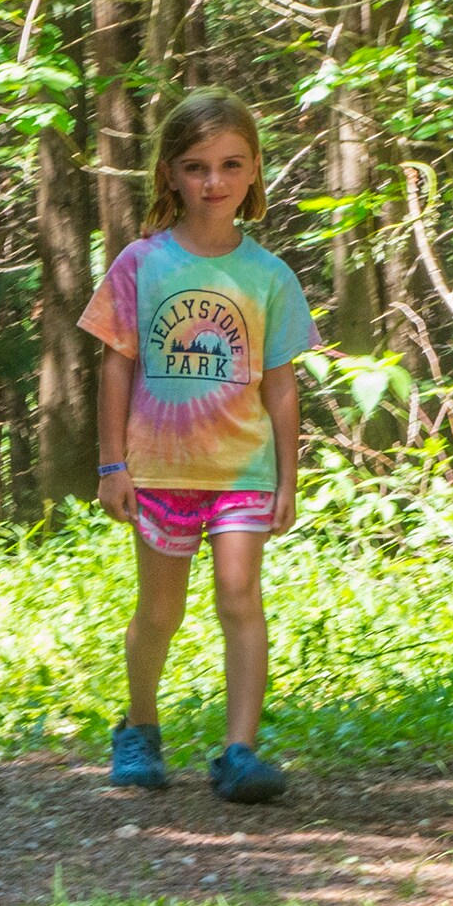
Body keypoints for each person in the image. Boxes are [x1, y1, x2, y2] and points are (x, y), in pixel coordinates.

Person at [81, 89, 311, 806]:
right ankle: (139, 729)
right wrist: (112, 463)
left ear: (253, 173)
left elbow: (281, 387)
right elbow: (116, 364)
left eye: (230, 165)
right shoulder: (142, 264)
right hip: (159, 469)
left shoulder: (268, 276)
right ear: (170, 176)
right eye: (196, 167)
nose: (214, 182)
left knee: (240, 597)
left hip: (242, 467)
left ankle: (239, 751)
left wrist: (288, 481)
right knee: (160, 611)